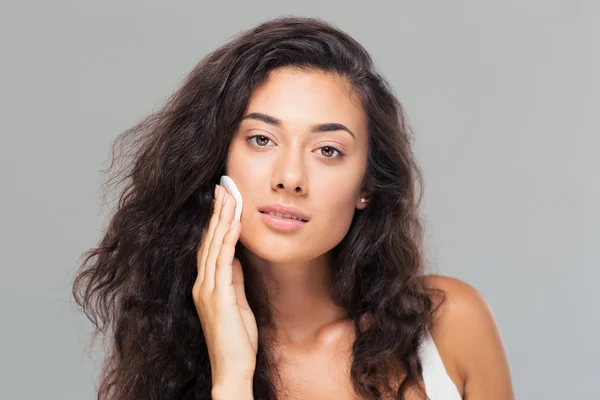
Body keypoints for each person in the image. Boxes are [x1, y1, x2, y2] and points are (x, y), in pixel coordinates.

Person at [72, 16, 514, 400]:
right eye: (262, 139)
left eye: (327, 150)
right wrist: (231, 380)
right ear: (215, 160)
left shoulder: (449, 322)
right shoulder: (169, 357)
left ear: (367, 186)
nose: (290, 177)